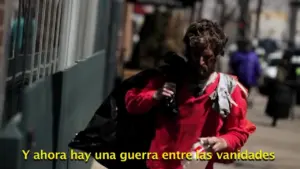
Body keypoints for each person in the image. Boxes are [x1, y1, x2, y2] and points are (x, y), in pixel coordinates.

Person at [124, 19, 256, 169]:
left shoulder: (230, 90)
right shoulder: (168, 78)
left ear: (217, 55)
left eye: (207, 57)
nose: (200, 62)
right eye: (195, 55)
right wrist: (154, 96)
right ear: (187, 51)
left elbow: (239, 132)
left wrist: (224, 141)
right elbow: (131, 103)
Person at [265, 50, 295, 126]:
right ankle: (276, 119)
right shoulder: (288, 65)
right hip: (283, 88)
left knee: (278, 104)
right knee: (279, 104)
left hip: (281, 87)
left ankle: (275, 119)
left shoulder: (284, 64)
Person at [230, 39, 261, 107]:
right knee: (240, 93)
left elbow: (257, 66)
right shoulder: (237, 55)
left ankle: (244, 103)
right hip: (239, 79)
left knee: (246, 93)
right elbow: (232, 65)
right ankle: (240, 104)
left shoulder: (253, 56)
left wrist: (258, 75)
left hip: (250, 79)